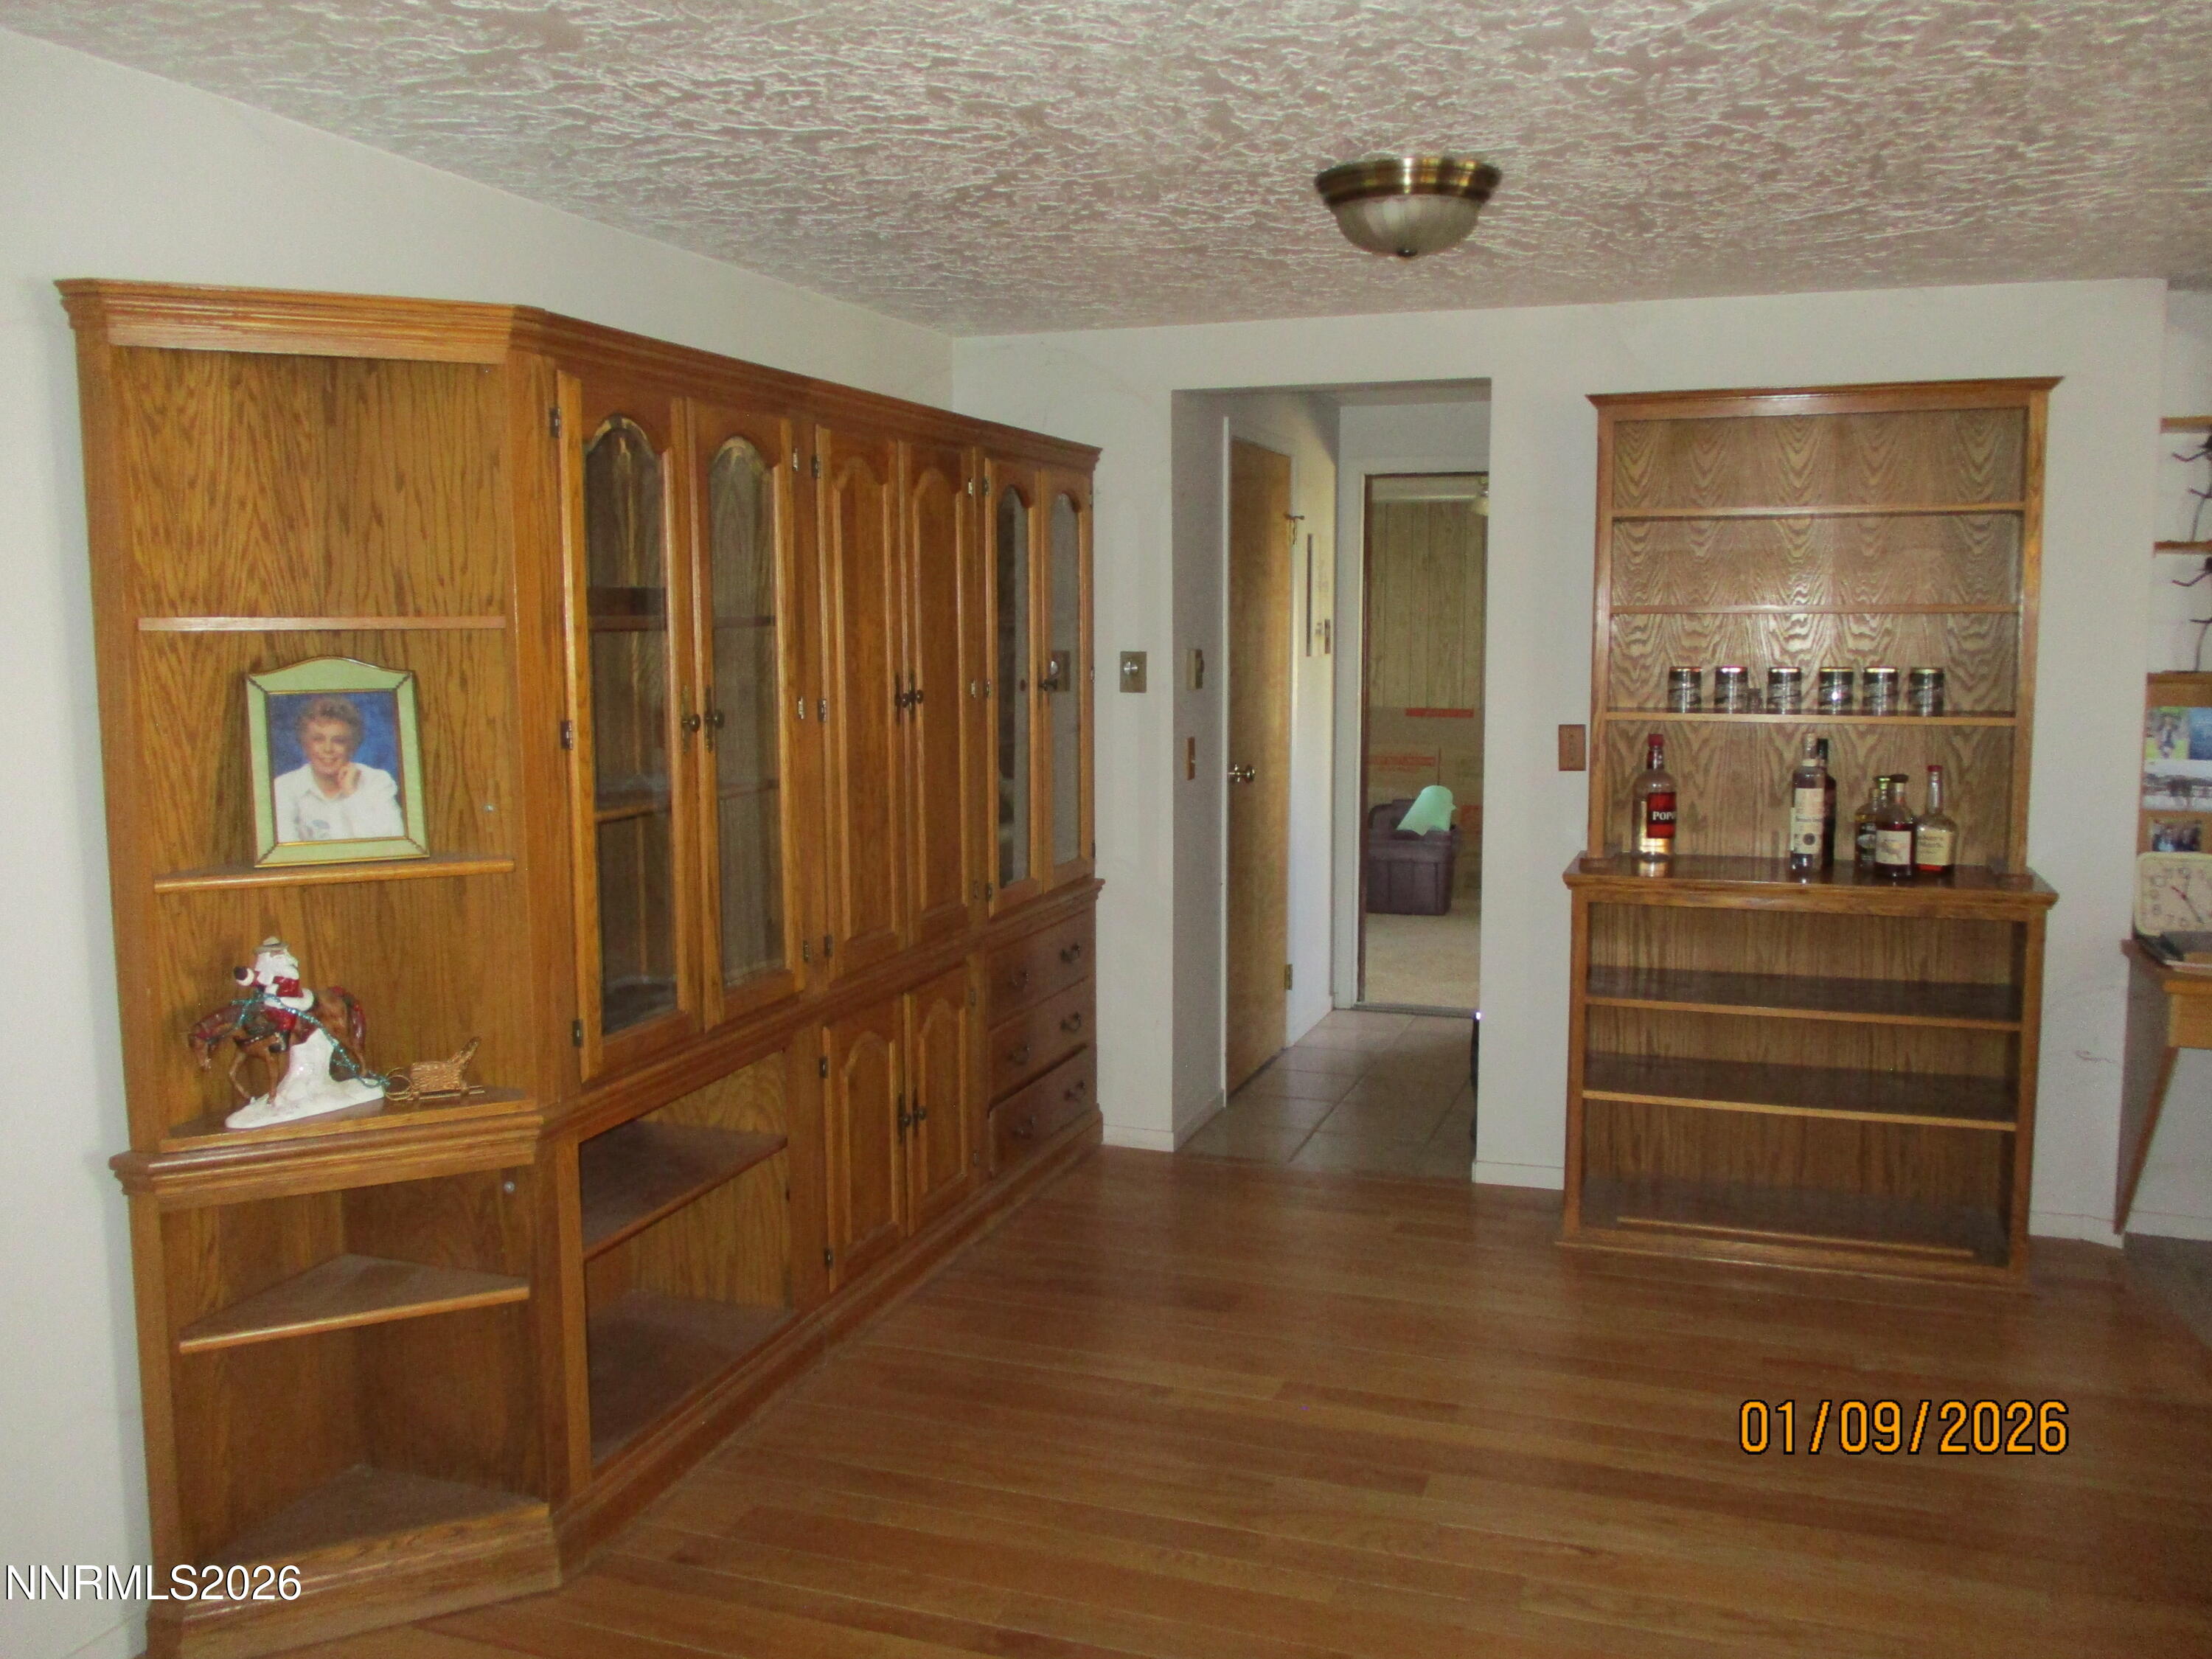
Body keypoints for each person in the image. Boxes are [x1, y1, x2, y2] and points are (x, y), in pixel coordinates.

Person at [272, 695, 405, 841]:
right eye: (318, 739)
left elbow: (392, 844)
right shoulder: (283, 787)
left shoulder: (377, 782)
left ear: (353, 746)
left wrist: (352, 794)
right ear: (305, 744)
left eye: (339, 741)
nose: (328, 749)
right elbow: (285, 849)